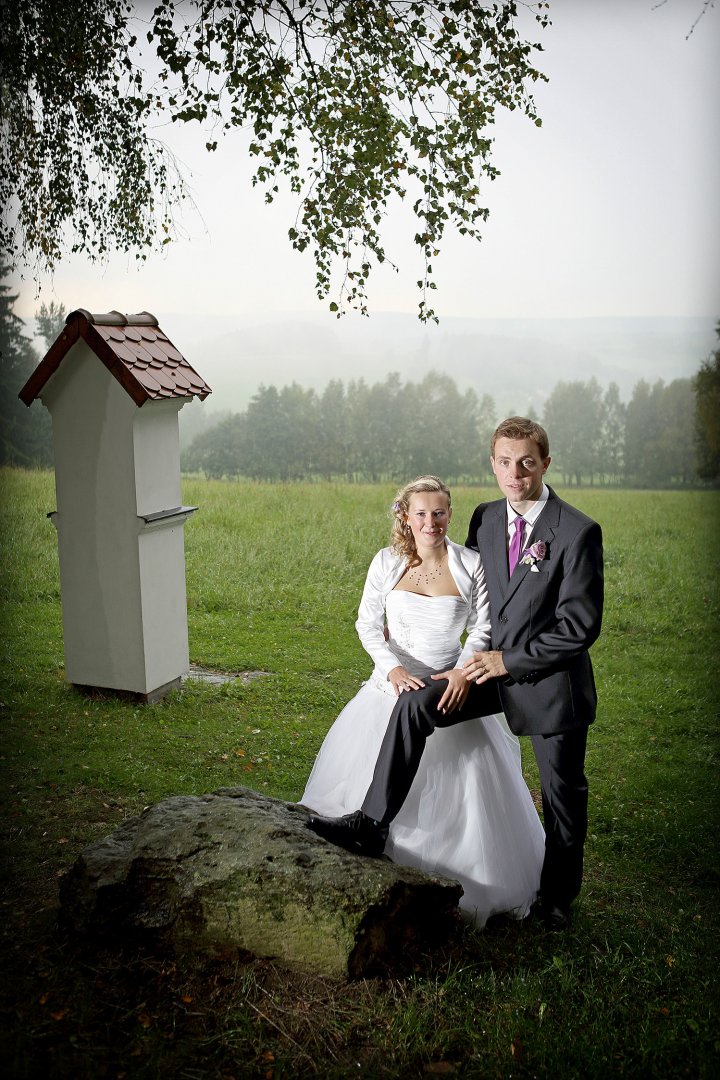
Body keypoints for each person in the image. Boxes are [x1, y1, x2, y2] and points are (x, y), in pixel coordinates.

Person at [308, 420, 604, 932]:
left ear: (545, 464)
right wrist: (455, 658)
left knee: (561, 794)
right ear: (493, 464)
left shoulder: (577, 531)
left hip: (549, 684)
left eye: (526, 462)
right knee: (414, 705)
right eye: (505, 462)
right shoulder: (486, 518)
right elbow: (480, 600)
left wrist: (505, 661)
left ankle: (557, 899)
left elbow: (579, 628)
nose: (515, 473)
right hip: (484, 669)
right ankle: (372, 824)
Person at [302, 475, 545, 927]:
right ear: (406, 516)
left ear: (450, 514)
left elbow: (483, 628)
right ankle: (368, 825)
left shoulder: (470, 564)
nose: (430, 522)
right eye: (421, 513)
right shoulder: (386, 561)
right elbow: (367, 624)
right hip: (391, 685)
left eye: (439, 513)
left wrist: (461, 671)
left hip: (445, 683)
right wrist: (391, 669)